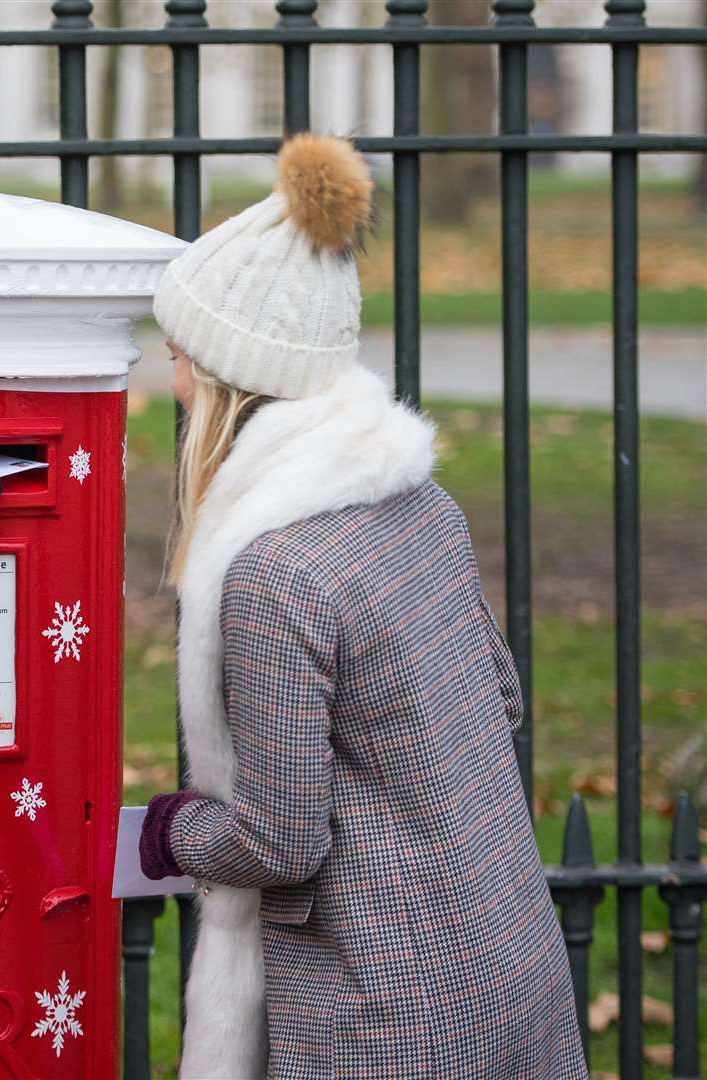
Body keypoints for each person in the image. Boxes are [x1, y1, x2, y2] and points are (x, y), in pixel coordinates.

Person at [138, 133, 584, 1079]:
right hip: (506, 953)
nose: (167, 375)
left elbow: (280, 836)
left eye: (178, 352)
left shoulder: (272, 575)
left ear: (227, 374)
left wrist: (163, 829)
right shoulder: (418, 504)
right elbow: (497, 704)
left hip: (384, 1007)